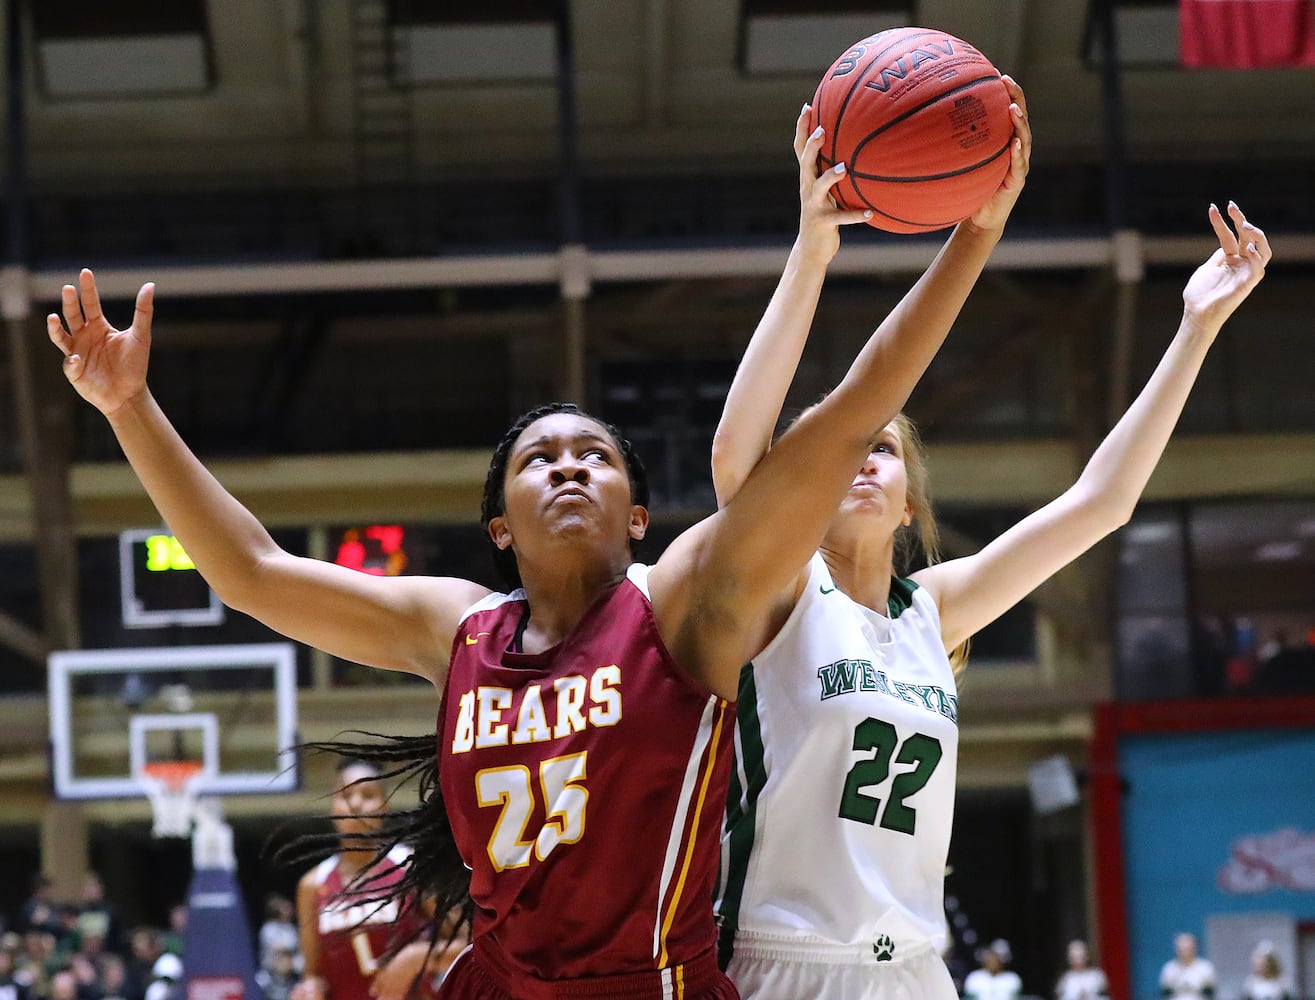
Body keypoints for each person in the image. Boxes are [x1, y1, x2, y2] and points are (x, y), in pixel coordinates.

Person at [47, 158, 958, 1000]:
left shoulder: (680, 605)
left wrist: (973, 237)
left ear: (637, 517)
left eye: (595, 457)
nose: (567, 468)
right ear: (500, 526)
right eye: (539, 460)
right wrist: (130, 410)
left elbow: (849, 418)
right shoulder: (458, 629)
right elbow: (251, 572)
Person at [710, 102, 1270, 1000]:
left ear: (905, 505)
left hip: (918, 970)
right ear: (799, 493)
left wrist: (1193, 329)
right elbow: (736, 459)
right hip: (785, 963)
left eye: (882, 448)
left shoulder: (928, 612)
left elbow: (1101, 502)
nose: (859, 459)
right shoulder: (775, 594)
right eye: (839, 448)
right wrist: (812, 249)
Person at [289, 758, 451, 1000]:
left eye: (368, 795)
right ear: (333, 806)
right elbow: (313, 974)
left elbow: (469, 944)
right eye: (345, 795)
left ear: (385, 805)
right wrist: (309, 991)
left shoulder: (412, 867)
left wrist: (417, 957)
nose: (355, 803)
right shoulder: (312, 885)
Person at [1160, 933, 1216, 999]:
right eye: (1182, 949)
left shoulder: (1205, 967)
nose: (1185, 952)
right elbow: (1165, 993)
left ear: (1194, 949)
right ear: (1177, 950)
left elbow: (1210, 993)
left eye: (1188, 949)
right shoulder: (1169, 968)